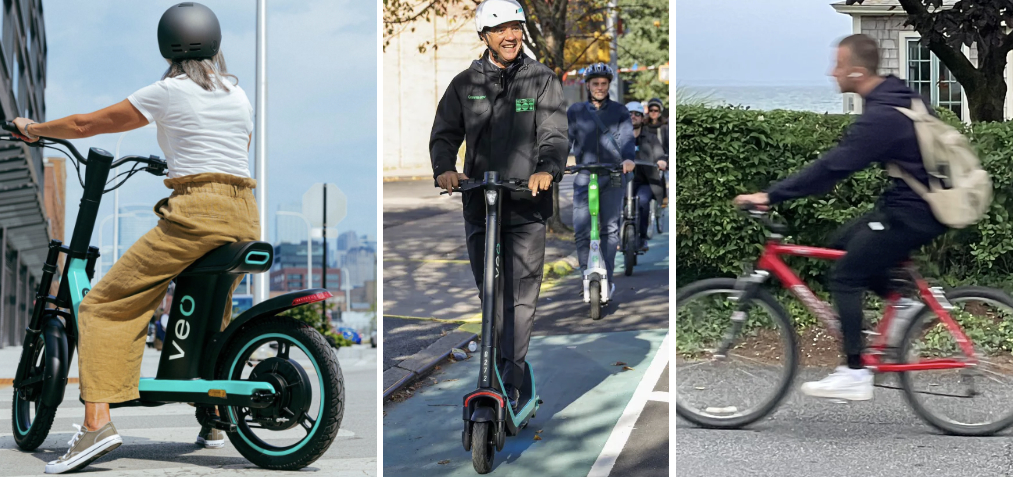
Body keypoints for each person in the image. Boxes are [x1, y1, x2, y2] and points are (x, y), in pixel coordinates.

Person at [18, 3, 258, 473]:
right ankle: (213, 416)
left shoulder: (168, 91)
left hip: (195, 211)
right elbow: (236, 148)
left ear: (166, 44)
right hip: (244, 211)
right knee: (212, 309)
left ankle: (96, 427)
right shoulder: (236, 92)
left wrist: (35, 130)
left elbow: (89, 125)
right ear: (214, 42)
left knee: (105, 306)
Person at [733, 33, 947, 401]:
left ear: (858, 71)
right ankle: (904, 303)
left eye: (839, 65)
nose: (833, 73)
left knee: (845, 276)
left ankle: (854, 372)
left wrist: (770, 195)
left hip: (918, 211)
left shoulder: (882, 116)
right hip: (912, 202)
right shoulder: (897, 94)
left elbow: (832, 168)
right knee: (842, 243)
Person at [430, 0, 567, 410]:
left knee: (520, 295)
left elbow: (555, 132)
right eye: (502, 29)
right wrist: (444, 168)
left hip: (526, 205)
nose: (511, 35)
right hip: (480, 204)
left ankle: (512, 375)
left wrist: (546, 168)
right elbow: (444, 133)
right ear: (485, 36)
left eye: (516, 27)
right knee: (489, 293)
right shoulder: (465, 83)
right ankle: (500, 368)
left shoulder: (541, 80)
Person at [566, 63, 635, 293]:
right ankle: (587, 275)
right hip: (585, 175)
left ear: (608, 85)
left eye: (603, 84)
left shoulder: (620, 111)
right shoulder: (575, 111)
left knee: (610, 229)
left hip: (612, 174)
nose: (599, 87)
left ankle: (608, 278)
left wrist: (627, 159)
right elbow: (565, 139)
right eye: (595, 83)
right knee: (582, 229)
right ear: (587, 85)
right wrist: (555, 163)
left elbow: (627, 139)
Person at [626, 101, 667, 251]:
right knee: (614, 203)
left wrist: (661, 160)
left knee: (643, 202)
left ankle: (642, 237)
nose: (633, 117)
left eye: (637, 114)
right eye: (629, 114)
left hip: (644, 182)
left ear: (642, 118)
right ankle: (615, 236)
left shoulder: (650, 138)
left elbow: (659, 153)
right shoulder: (618, 138)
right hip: (623, 181)